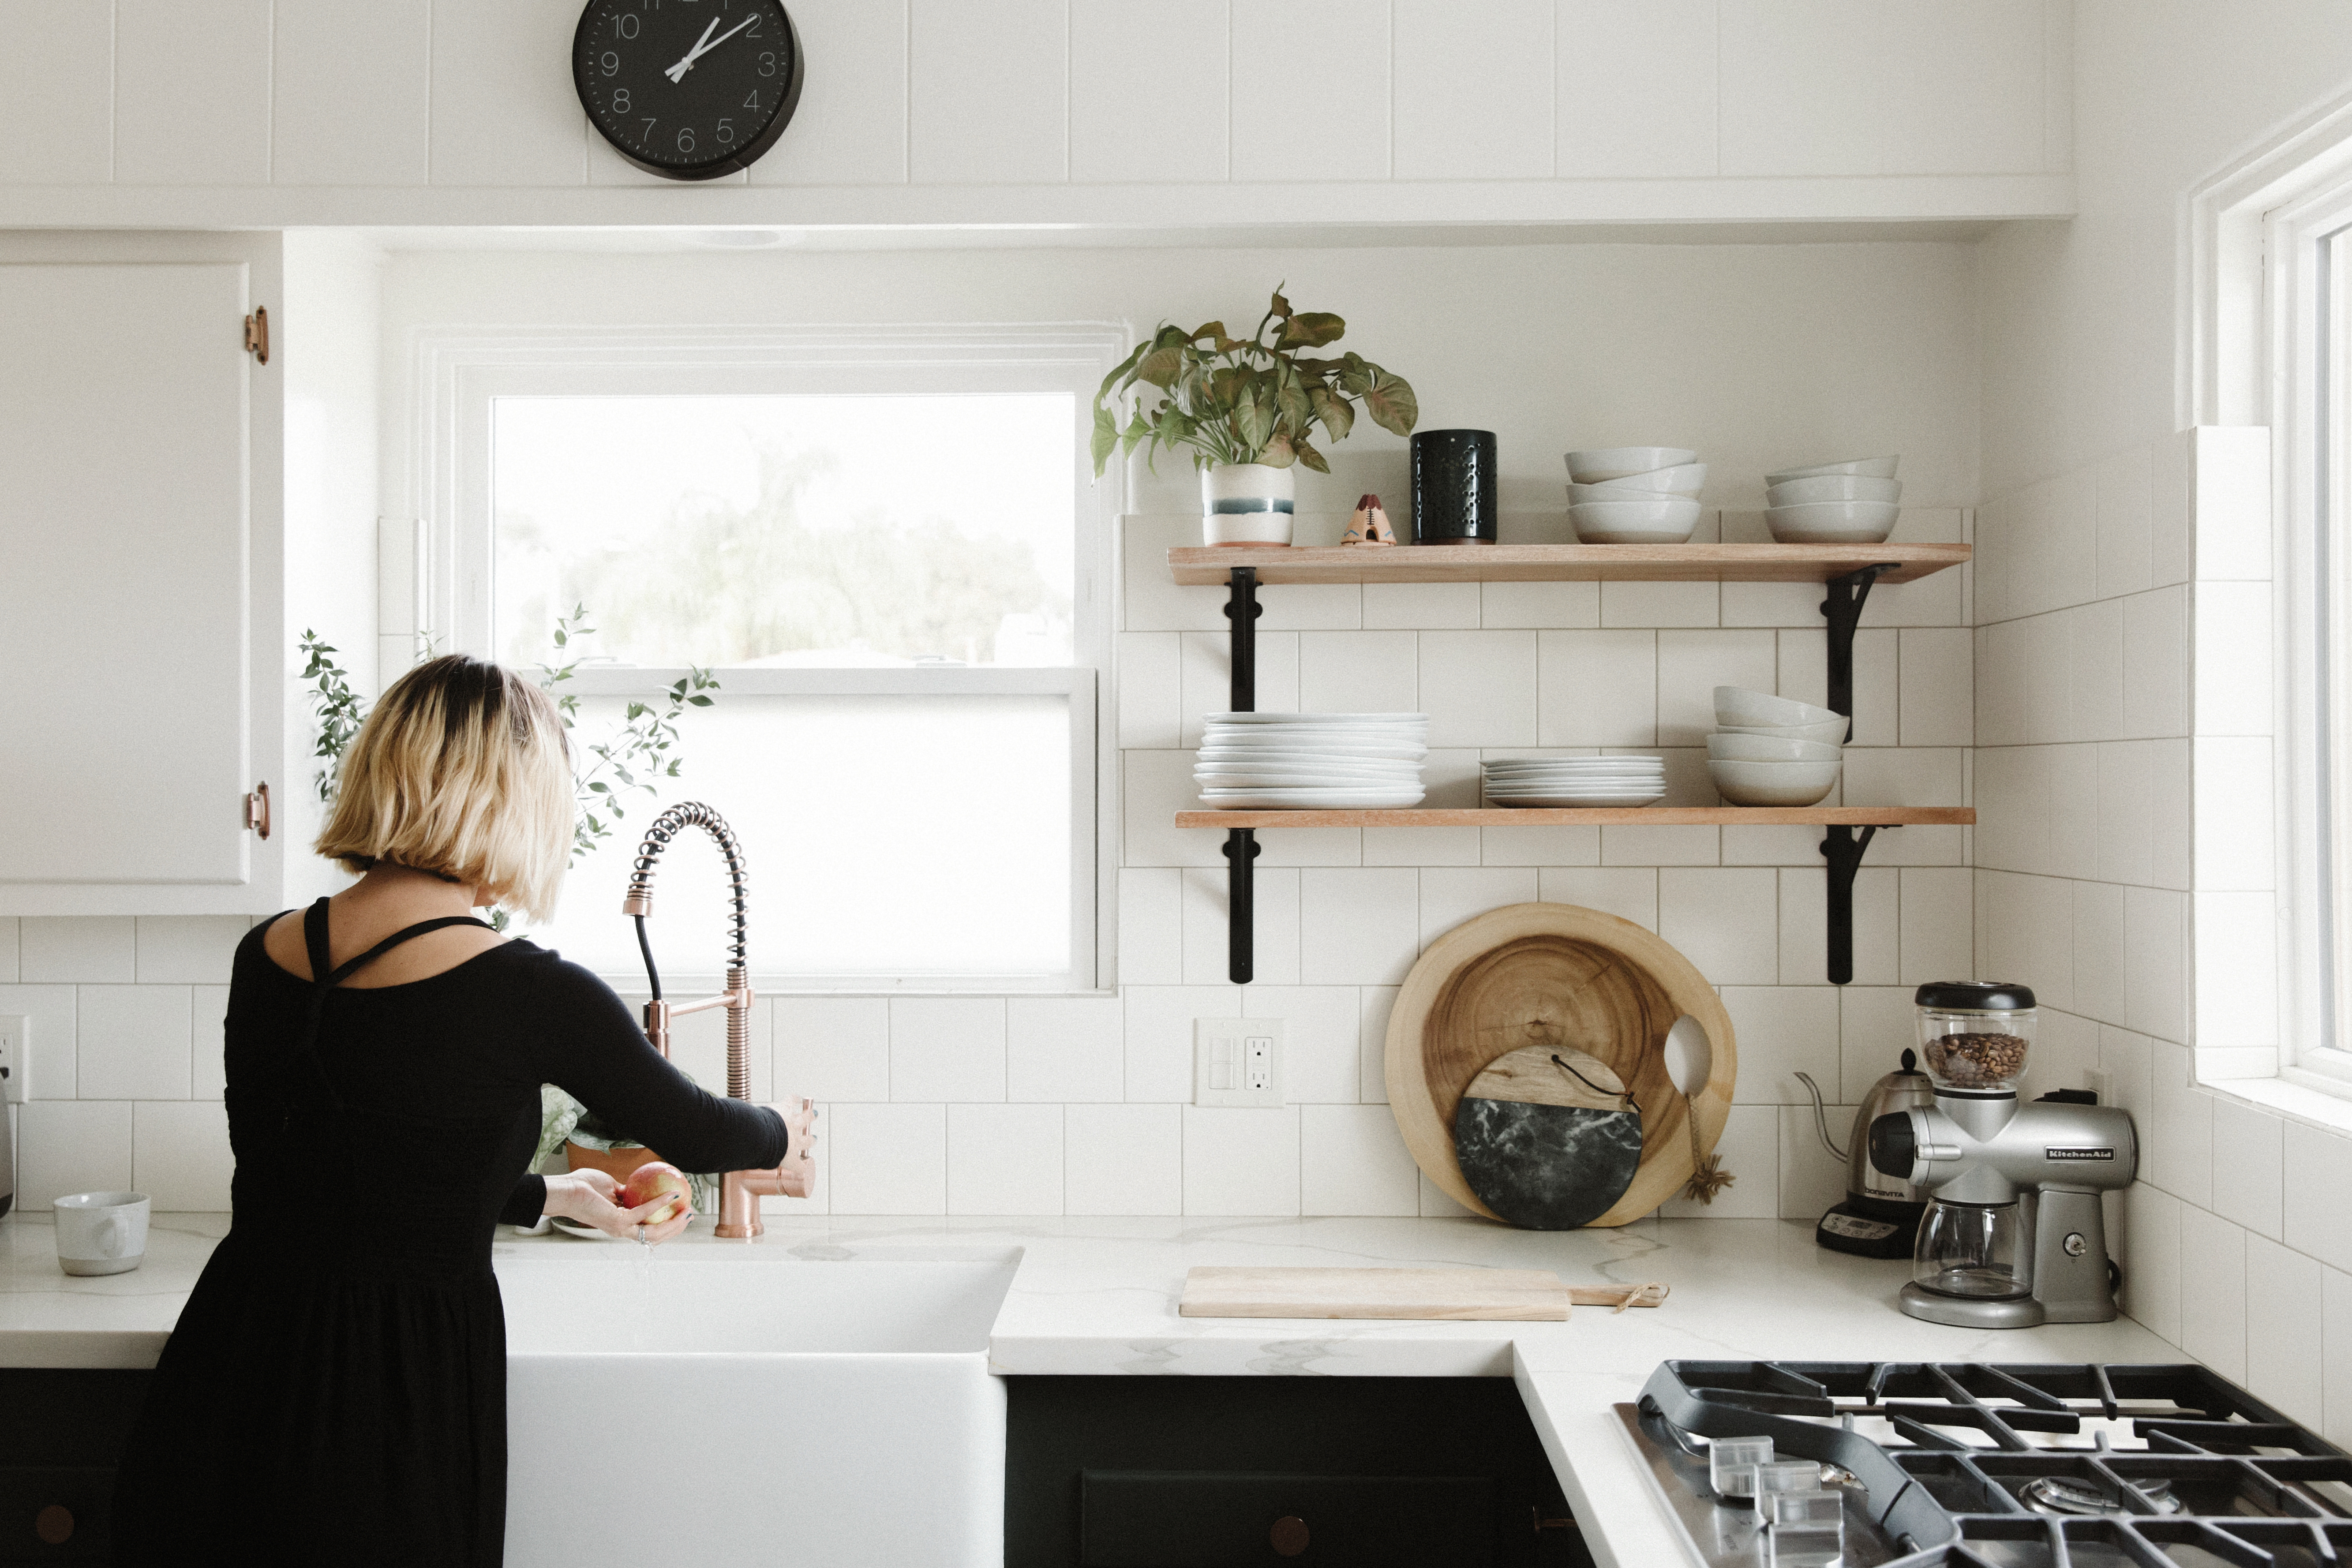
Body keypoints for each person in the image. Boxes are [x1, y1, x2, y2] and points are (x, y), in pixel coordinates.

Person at [112, 655, 816, 1566]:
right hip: (383, 1401)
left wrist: (547, 1196)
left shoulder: (269, 951)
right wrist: (782, 1132)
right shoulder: (527, 990)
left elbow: (346, 1174)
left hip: (229, 1364)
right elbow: (696, 1128)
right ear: (514, 804)